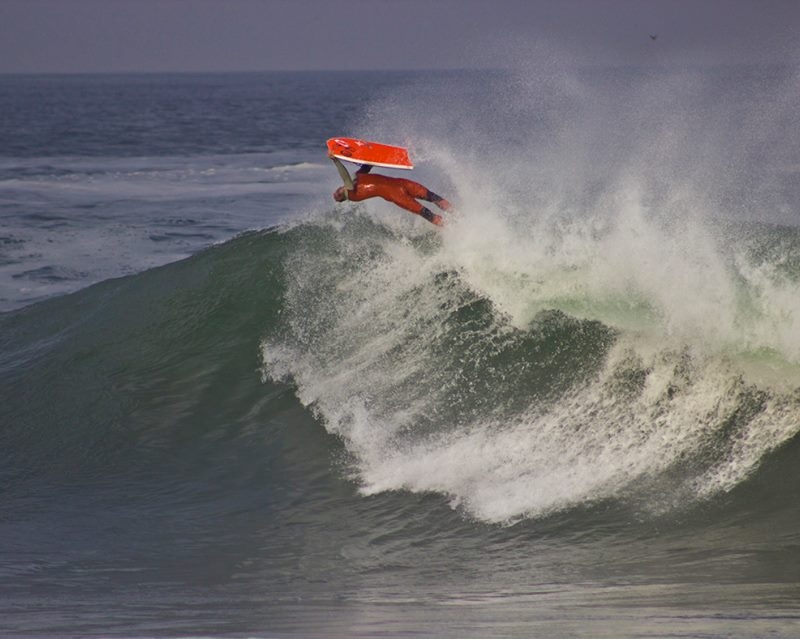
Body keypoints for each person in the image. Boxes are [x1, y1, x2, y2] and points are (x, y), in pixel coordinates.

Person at [330, 156, 452, 226]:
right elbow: (345, 177)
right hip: (397, 196)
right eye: (337, 196)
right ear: (342, 198)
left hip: (401, 183)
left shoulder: (357, 177)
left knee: (433, 197)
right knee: (426, 213)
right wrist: (335, 160)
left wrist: (365, 150)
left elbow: (368, 165)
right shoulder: (351, 193)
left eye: (335, 193)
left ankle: (459, 215)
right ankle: (452, 228)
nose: (336, 193)